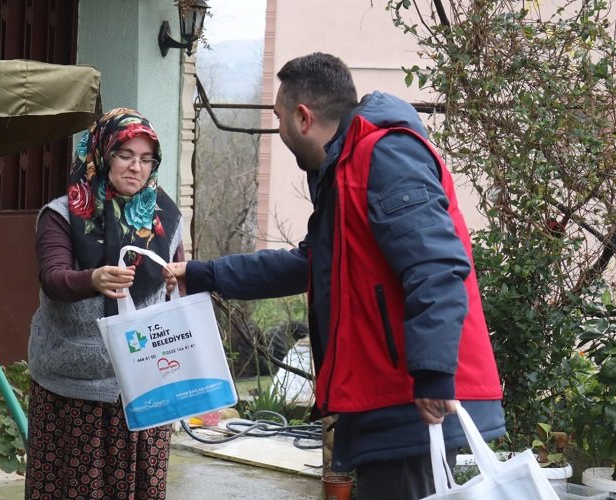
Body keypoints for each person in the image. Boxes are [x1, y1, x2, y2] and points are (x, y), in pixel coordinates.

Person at [164, 52, 505, 499]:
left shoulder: (385, 155)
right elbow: (310, 263)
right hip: (390, 393)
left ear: (303, 117)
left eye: (279, 117)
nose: (279, 128)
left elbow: (437, 265)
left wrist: (434, 374)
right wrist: (203, 274)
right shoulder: (344, 168)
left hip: (410, 397)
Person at [26, 108, 184, 499]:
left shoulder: (165, 218)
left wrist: (180, 276)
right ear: (101, 153)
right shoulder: (61, 215)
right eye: (125, 155)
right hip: (73, 386)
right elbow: (53, 278)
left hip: (144, 382)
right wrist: (92, 279)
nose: (136, 168)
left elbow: (182, 277)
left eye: (146, 159)